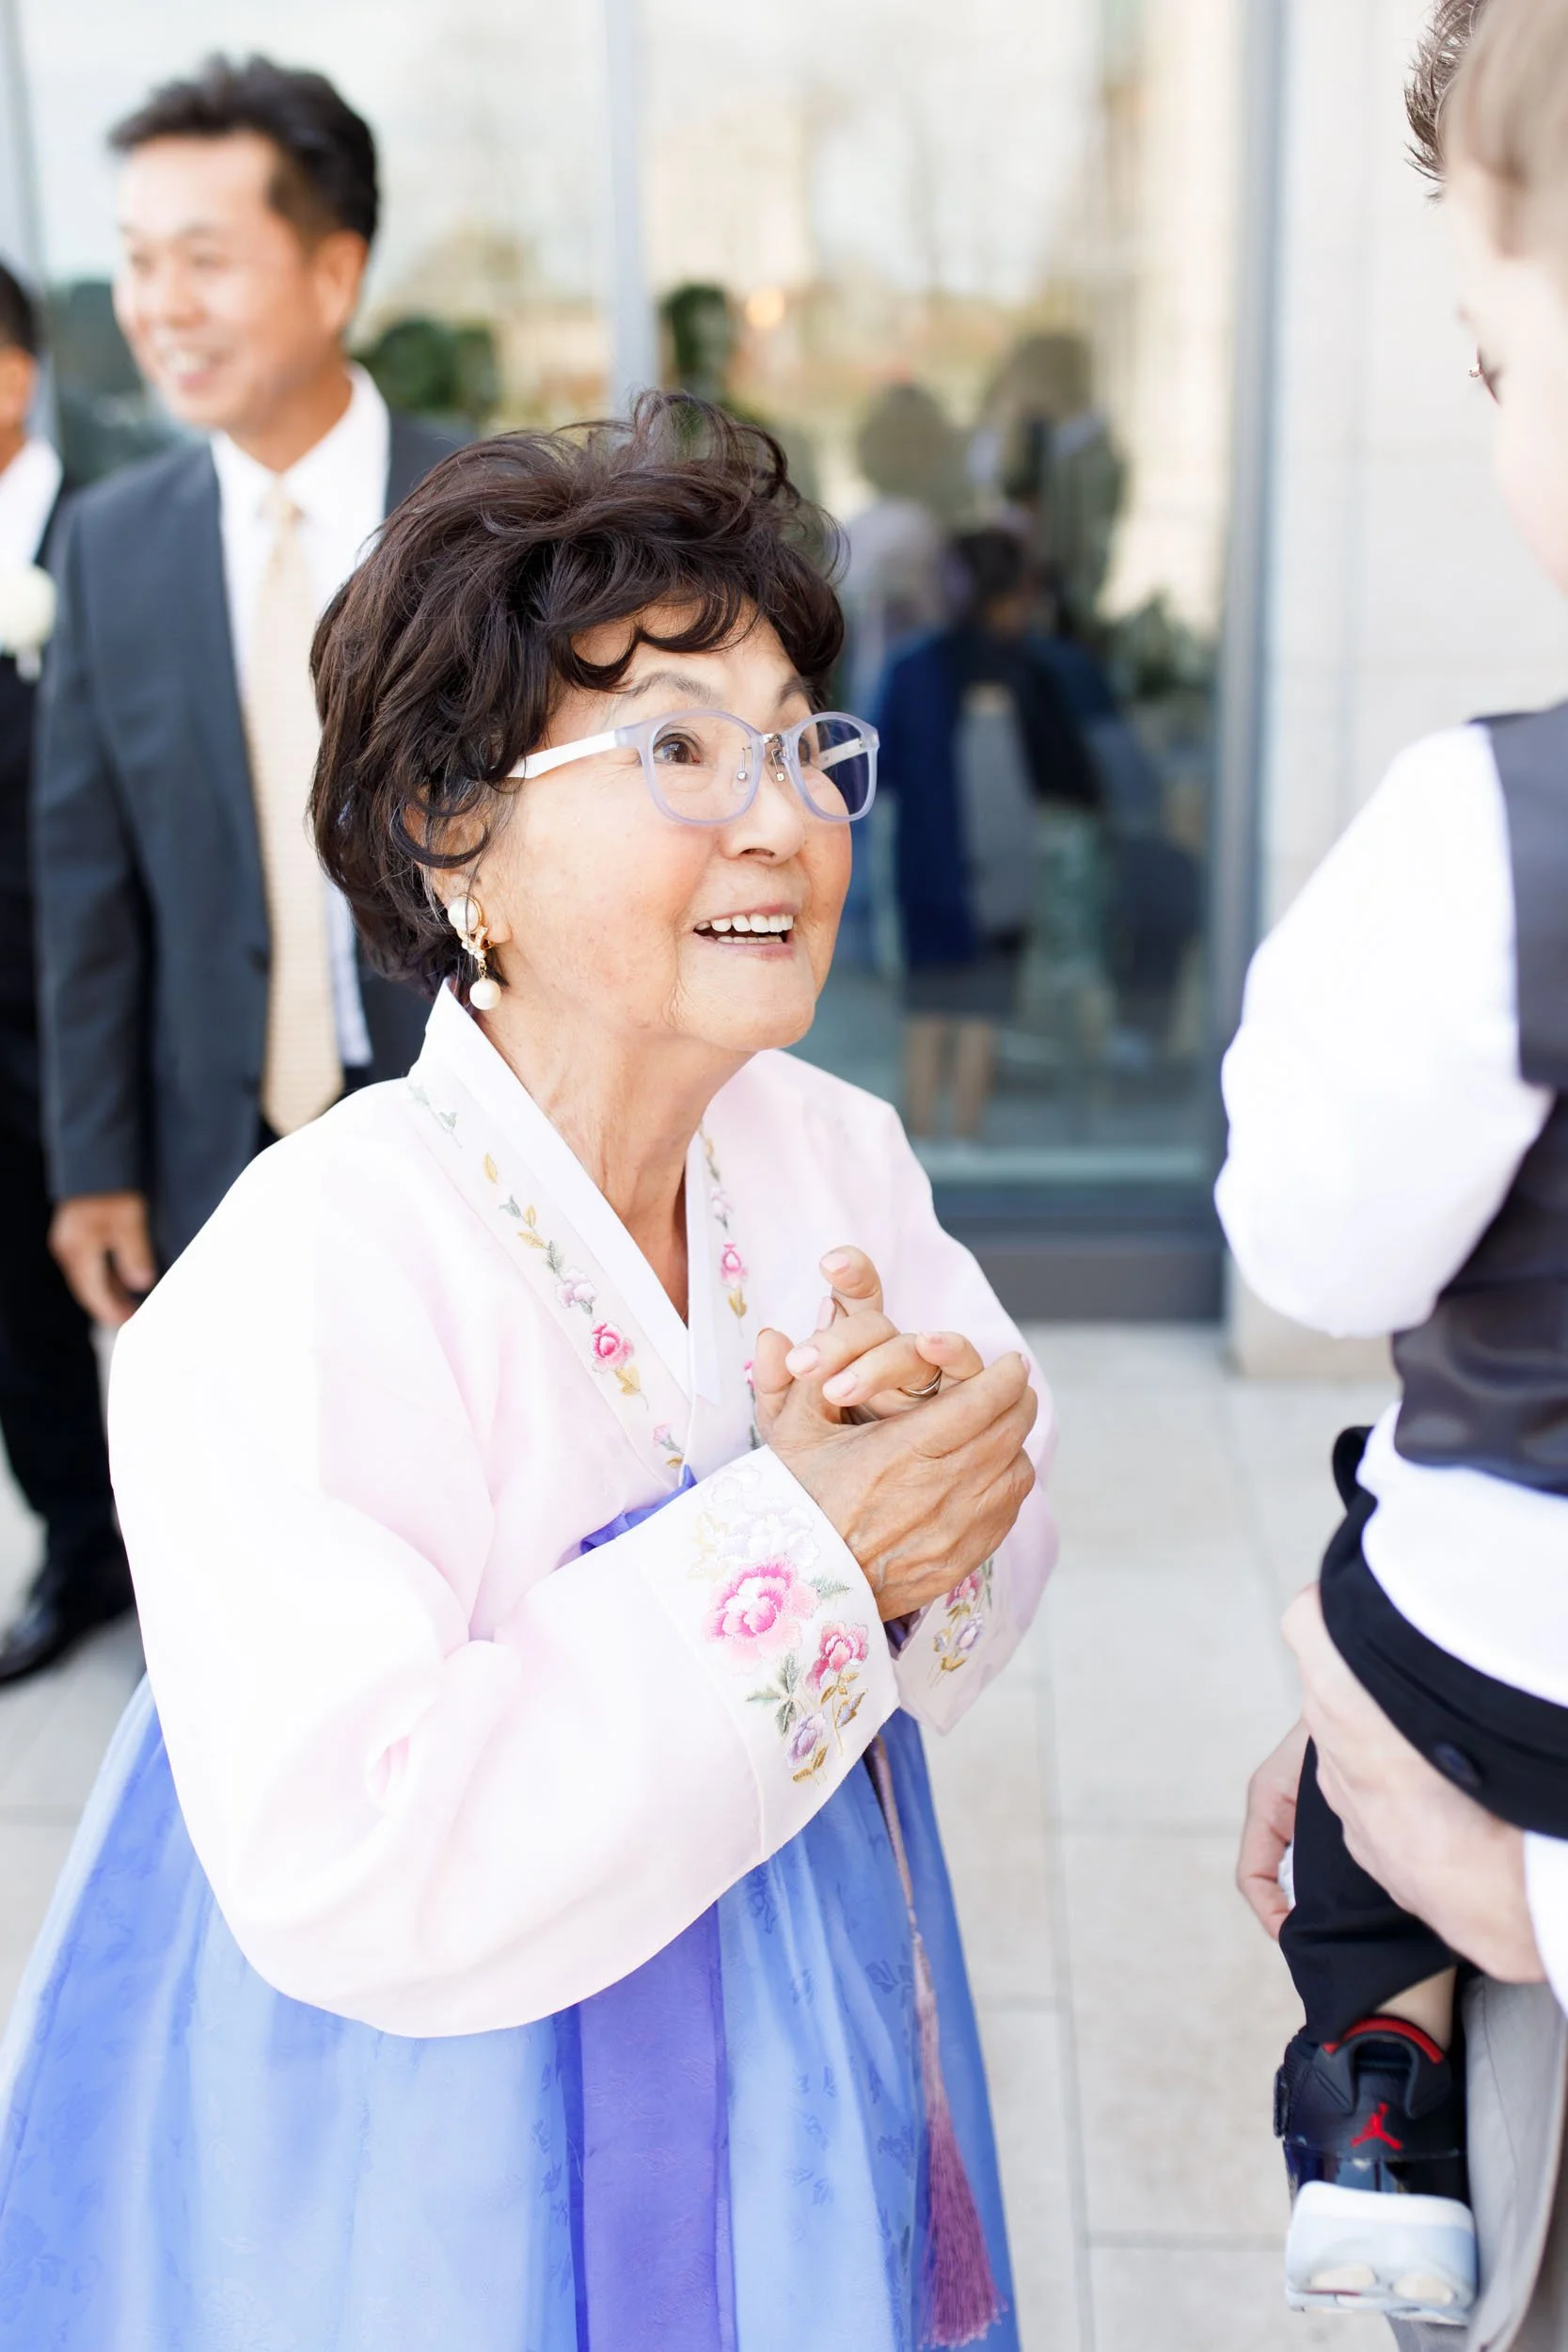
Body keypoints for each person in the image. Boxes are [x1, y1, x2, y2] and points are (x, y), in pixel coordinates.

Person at [0, 394, 1057, 2348]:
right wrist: (807, 1552)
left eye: (796, 745)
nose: (780, 816)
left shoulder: (829, 1150)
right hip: (445, 2118)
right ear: (449, 821)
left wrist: (942, 1496)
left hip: (805, 1965)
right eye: (674, 748)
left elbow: (984, 1535)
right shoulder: (299, 1277)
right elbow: (357, 1859)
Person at [1219, 0, 1568, 2322]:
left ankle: (1374, 2119)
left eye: (1489, 356)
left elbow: (1308, 1221)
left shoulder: (1500, 830)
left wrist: (1503, 1889)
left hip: (1509, 1675)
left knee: (1369, 1613)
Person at [15, 56, 459, 1682]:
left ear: (333, 269)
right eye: (136, 260)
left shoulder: (491, 514)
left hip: (458, 1109)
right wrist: (94, 1164)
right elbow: (87, 876)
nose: (157, 304)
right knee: (266, 1532)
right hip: (217, 1125)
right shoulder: (113, 542)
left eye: (203, 255)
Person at [0, 265, 132, 1683]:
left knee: (159, 1287)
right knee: (15, 1315)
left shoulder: (111, 526)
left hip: (95, 990)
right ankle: (76, 1549)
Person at [876, 526, 1101, 1139]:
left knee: (926, 1014)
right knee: (979, 1016)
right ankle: (965, 1139)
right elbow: (1073, 778)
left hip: (926, 869)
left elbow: (881, 771)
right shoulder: (1032, 672)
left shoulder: (911, 669)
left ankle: (919, 1147)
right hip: (1004, 872)